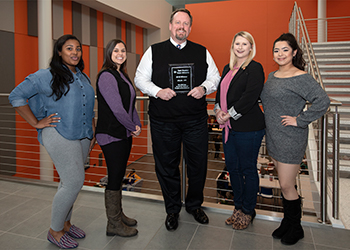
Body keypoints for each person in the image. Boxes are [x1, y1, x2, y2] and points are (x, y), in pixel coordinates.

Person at [134, 8, 220, 231]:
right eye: (177, 23)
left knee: (198, 165)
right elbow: (139, 78)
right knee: (166, 167)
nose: (181, 27)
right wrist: (157, 91)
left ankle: (194, 205)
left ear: (190, 28)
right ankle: (172, 209)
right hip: (164, 121)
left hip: (195, 121)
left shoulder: (202, 52)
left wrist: (204, 88)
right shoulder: (153, 51)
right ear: (170, 26)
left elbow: (215, 77)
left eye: (186, 24)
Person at [9, 34, 95, 249]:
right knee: (74, 182)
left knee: (67, 183)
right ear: (59, 52)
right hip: (58, 132)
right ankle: (55, 231)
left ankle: (66, 223)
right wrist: (36, 122)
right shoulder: (45, 75)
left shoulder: (82, 77)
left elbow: (88, 105)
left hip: (82, 134)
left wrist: (91, 130)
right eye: (69, 48)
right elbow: (16, 96)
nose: (75, 52)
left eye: (78, 48)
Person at [260, 33, 330, 245]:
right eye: (276, 50)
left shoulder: (302, 77)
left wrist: (300, 120)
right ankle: (287, 222)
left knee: (287, 184)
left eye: (284, 50)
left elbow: (323, 101)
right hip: (274, 136)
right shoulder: (272, 76)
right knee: (284, 184)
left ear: (294, 52)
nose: (280, 54)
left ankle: (296, 227)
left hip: (291, 137)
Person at [214, 31, 265, 230]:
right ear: (233, 46)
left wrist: (229, 114)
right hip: (229, 128)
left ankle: (248, 210)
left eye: (245, 44)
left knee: (248, 170)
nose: (241, 47)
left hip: (249, 128)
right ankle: (237, 208)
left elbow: (250, 96)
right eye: (237, 43)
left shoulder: (254, 68)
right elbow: (219, 94)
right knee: (233, 170)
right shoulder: (228, 68)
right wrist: (218, 110)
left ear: (251, 47)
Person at [95, 39, 141, 237]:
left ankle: (118, 214)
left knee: (119, 174)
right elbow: (117, 109)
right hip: (110, 134)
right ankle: (112, 224)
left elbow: (130, 104)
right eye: (116, 50)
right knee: (114, 176)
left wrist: (136, 124)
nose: (120, 53)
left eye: (123, 50)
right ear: (109, 53)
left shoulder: (121, 75)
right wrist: (132, 126)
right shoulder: (106, 76)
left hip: (123, 133)